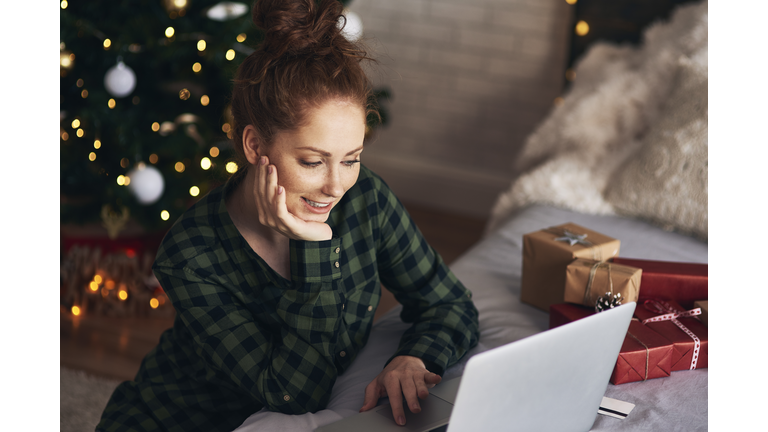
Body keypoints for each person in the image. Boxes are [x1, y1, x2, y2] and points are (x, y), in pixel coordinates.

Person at [97, 1, 479, 431]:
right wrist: (312, 244)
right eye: (313, 162)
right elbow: (294, 396)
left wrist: (414, 358)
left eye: (350, 158)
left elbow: (449, 303)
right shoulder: (191, 254)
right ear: (256, 147)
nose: (337, 186)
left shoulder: (365, 198)